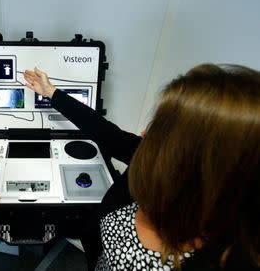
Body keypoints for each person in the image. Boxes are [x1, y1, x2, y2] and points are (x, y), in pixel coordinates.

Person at [23, 65, 259, 270]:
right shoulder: (155, 159)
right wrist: (51, 92)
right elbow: (107, 133)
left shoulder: (229, 256)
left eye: (163, 130)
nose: (144, 133)